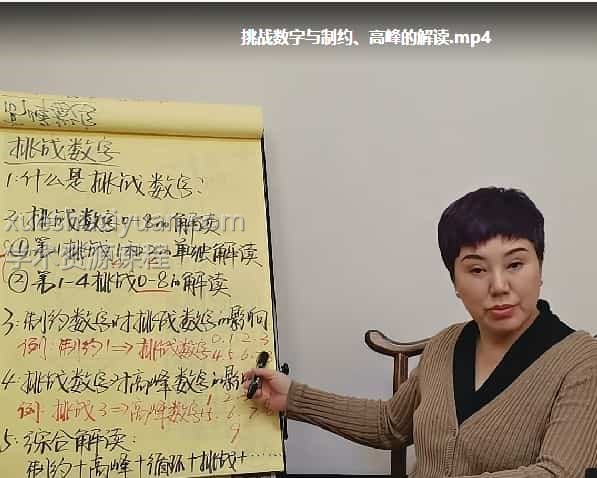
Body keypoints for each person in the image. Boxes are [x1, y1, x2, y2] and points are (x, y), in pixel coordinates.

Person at [243, 187, 597, 477]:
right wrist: (293, 398)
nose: (499, 285)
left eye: (515, 264)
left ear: (539, 268)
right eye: (477, 270)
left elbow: (558, 472)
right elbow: (390, 424)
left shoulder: (581, 360)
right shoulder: (446, 344)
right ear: (455, 282)